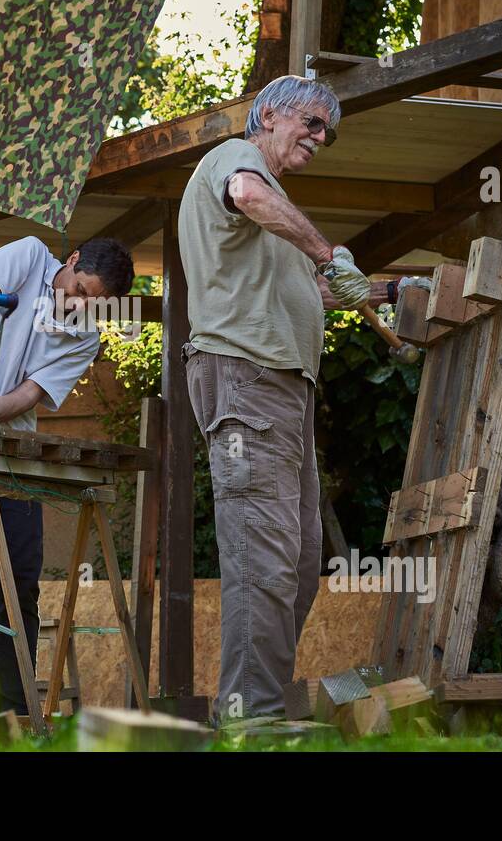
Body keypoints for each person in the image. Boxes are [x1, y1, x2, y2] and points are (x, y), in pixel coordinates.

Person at [178, 74, 375, 721]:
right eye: (312, 121)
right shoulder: (237, 166)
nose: (321, 137)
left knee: (297, 556)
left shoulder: (271, 216)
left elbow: (303, 294)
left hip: (282, 393)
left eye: (330, 132)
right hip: (247, 382)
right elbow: (246, 193)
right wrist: (325, 251)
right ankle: (249, 716)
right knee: (262, 556)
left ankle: (253, 703)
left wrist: (371, 291)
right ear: (266, 114)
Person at [0, 234, 135, 715]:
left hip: (10, 456)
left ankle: (14, 712)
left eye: (93, 303)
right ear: (73, 260)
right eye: (80, 291)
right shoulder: (27, 256)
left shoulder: (86, 335)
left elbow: (29, 395)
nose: (80, 304)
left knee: (20, 578)